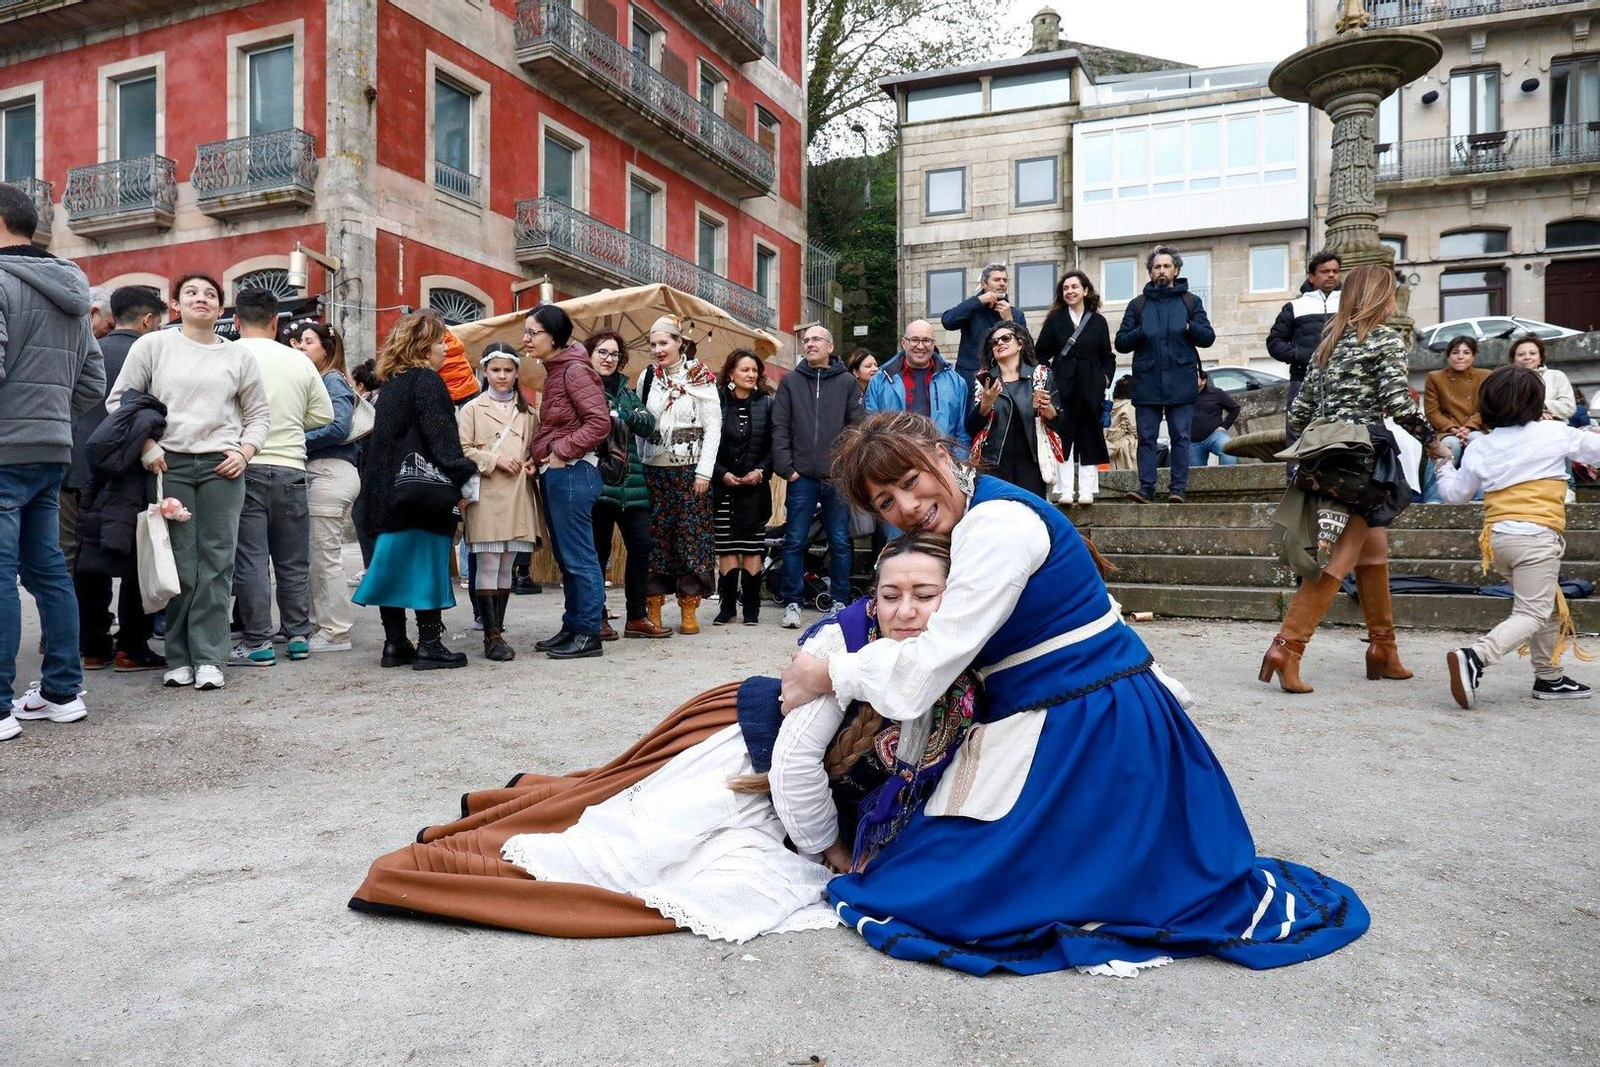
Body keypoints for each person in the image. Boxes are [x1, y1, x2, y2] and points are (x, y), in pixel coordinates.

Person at [773, 411, 1367, 976]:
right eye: (885, 502)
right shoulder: (984, 511)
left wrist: (827, 673)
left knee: (931, 894)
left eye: (909, 481)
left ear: (938, 454)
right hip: (1094, 713)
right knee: (929, 868)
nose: (906, 506)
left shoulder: (996, 524)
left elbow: (926, 669)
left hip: (1090, 726)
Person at [347, 533, 971, 942]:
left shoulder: (958, 667)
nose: (906, 610)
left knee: (608, 798)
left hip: (766, 761)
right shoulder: (843, 647)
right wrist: (828, 850)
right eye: (891, 595)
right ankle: (445, 866)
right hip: (737, 740)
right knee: (630, 844)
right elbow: (793, 765)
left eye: (924, 596)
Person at [1263, 263, 1444, 694]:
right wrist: (1433, 442)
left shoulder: (1328, 344)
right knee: (1341, 557)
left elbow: (1300, 412)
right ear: (1383, 298)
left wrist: (1324, 435)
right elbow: (1399, 403)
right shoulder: (1383, 338)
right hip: (1362, 459)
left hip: (1326, 457)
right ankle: (1287, 647)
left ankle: (1384, 650)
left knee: (1373, 552)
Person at [106, 273, 270, 692]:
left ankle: (210, 657)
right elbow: (119, 401)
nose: (202, 299)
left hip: (223, 468)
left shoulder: (238, 356)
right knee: (178, 564)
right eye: (192, 293)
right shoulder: (154, 345)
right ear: (175, 304)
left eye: (211, 294)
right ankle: (179, 656)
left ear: (222, 308)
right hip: (167, 466)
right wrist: (145, 447)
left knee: (218, 564)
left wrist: (245, 451)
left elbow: (259, 414)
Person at [0, 183, 106, 739]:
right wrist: (48, 414)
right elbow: (92, 380)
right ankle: (63, 692)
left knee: (3, 574)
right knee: (47, 571)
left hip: (3, 449)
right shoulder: (70, 287)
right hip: (50, 449)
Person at [1436, 365, 1598, 708]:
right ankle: (1476, 656)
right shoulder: (1554, 433)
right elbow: (1594, 450)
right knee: (1534, 612)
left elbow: (1454, 495)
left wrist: (1443, 464)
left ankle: (1549, 677)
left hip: (1497, 541)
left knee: (1547, 606)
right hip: (1536, 539)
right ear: (1536, 402)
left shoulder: (1482, 447)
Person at [352, 311, 478, 671]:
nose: (444, 349)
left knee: (389, 568)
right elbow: (442, 442)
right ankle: (430, 645)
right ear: (424, 346)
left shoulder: (391, 384)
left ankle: (395, 644)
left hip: (385, 493)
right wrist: (465, 470)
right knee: (426, 566)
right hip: (420, 495)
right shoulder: (427, 381)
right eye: (440, 341)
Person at [229, 287, 334, 667]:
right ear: (276, 322)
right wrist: (290, 421)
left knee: (251, 560)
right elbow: (324, 416)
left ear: (236, 321)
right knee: (292, 561)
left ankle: (257, 642)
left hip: (243, 466)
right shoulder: (299, 361)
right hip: (292, 467)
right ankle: (298, 637)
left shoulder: (229, 355)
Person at [71, 285, 165, 672]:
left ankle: (93, 646)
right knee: (137, 559)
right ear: (147, 320)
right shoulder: (154, 356)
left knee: (84, 560)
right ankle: (131, 647)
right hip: (131, 474)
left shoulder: (88, 351)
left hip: (79, 471)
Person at [527, 304, 612, 659]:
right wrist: (539, 457)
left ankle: (589, 633)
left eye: (533, 333)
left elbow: (599, 421)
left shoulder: (575, 370)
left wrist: (561, 451)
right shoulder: (557, 369)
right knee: (568, 557)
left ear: (554, 336)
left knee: (579, 556)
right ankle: (574, 625)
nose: (526, 339)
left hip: (575, 472)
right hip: (561, 472)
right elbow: (558, 423)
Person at [633, 315, 722, 637]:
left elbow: (713, 428)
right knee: (655, 541)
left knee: (690, 541)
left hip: (690, 472)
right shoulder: (647, 378)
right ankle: (653, 606)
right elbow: (643, 424)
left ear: (679, 343)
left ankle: (688, 605)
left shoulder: (701, 377)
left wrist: (705, 472)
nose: (658, 349)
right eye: (653, 344)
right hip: (653, 471)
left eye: (664, 343)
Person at [773, 325, 862, 629]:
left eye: (815, 340)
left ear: (830, 345)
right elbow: (780, 427)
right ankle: (793, 603)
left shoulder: (848, 383)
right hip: (802, 478)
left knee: (839, 541)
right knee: (795, 541)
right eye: (806, 340)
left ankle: (839, 601)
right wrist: (788, 469)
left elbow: (856, 427)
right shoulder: (790, 382)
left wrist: (846, 467)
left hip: (837, 479)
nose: (809, 344)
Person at [458, 341, 540, 662]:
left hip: (519, 492)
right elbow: (461, 449)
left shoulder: (529, 412)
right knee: (489, 562)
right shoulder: (471, 409)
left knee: (508, 562)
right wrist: (494, 461)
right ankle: (490, 635)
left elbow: (536, 448)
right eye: (495, 370)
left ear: (517, 372)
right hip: (488, 492)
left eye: (508, 370)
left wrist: (533, 463)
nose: (502, 376)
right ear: (484, 371)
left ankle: (499, 629)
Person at [1115, 245, 1215, 504]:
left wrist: (1189, 326)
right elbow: (1121, 342)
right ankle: (1146, 488)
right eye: (1156, 266)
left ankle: (1178, 489)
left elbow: (1208, 337)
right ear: (1150, 272)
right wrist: (1140, 332)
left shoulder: (1191, 302)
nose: (1161, 270)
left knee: (1180, 436)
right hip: (1147, 380)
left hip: (1181, 379)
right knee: (1146, 437)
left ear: (1176, 270)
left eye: (1166, 266)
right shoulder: (1137, 305)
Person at [586, 330, 666, 640]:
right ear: (590, 355)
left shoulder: (627, 391)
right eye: (602, 352)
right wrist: (620, 415)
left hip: (632, 485)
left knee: (643, 546)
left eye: (614, 354)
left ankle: (636, 617)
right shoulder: (583, 387)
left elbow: (647, 423)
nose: (608, 359)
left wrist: (619, 412)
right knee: (597, 552)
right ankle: (598, 617)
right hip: (598, 481)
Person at [297, 322, 362, 653]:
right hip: (328, 472)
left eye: (308, 342)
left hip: (329, 472)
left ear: (327, 347)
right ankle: (322, 626)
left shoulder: (332, 380)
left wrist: (294, 440)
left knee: (324, 555)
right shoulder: (322, 380)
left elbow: (339, 427)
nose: (301, 347)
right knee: (318, 554)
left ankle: (335, 631)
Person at [1034, 270, 1114, 505]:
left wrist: (1105, 378)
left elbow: (1107, 356)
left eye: (1074, 287)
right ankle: (1065, 490)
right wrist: (1049, 379)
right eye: (1065, 288)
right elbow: (1040, 353)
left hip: (1091, 386)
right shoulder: (1055, 320)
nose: (1069, 291)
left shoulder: (1098, 321)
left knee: (1090, 435)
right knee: (1062, 435)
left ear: (1085, 290)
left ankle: (1087, 490)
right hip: (1063, 386)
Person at [711, 349, 774, 626]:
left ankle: (751, 610)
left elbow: (775, 445)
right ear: (731, 374)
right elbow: (707, 445)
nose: (751, 375)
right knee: (726, 549)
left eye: (754, 370)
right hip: (724, 488)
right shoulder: (715, 401)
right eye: (745, 370)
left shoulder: (767, 403)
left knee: (752, 549)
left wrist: (760, 471)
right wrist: (721, 474)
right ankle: (727, 609)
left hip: (754, 488)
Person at [967, 323, 1066, 500]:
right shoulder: (984, 380)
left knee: (1031, 518)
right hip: (993, 464)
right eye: (994, 342)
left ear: (1020, 343)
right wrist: (986, 403)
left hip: (1032, 465)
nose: (1000, 343)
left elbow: (1059, 423)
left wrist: (1047, 408)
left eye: (1006, 338)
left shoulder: (1040, 376)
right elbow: (971, 426)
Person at [1266, 251, 1341, 446]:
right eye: (1325, 271)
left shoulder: (1349, 304)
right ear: (1311, 276)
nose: (1331, 275)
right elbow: (1274, 342)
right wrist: (1300, 355)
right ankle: (1295, 477)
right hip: (1303, 379)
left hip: (1343, 381)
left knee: (1342, 436)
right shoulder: (1295, 306)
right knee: (1297, 436)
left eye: (1335, 271)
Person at [861, 320, 969, 450]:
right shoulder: (880, 381)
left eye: (926, 340)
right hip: (895, 463)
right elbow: (871, 431)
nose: (920, 346)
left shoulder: (956, 382)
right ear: (904, 343)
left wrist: (953, 464)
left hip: (941, 462)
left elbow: (963, 432)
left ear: (933, 343)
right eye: (914, 340)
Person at [1420, 335, 1488, 504]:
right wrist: (1453, 429)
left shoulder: (1485, 376)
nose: (1460, 356)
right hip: (1446, 429)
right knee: (1450, 445)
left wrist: (1469, 427)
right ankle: (1434, 498)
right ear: (1448, 355)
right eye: (1455, 352)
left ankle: (1479, 496)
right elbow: (1432, 412)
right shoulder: (1435, 377)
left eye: (1466, 352)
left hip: (1476, 428)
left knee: (1477, 441)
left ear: (1473, 356)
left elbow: (1485, 408)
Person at [940, 263, 1028, 390]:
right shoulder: (972, 309)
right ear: (983, 285)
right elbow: (947, 321)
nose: (1002, 283)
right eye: (997, 280)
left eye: (1005, 280)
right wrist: (978, 300)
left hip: (1007, 379)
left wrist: (1010, 322)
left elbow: (1027, 349)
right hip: (971, 379)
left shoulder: (1015, 314)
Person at [1189, 368, 1240, 468]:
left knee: (1229, 452)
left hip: (1215, 436)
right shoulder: (1183, 396)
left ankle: (1227, 481)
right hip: (1193, 441)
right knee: (1196, 474)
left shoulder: (1216, 393)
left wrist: (1224, 426)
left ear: (1203, 381)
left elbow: (1235, 408)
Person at [1104, 375, 1138, 470]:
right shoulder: (1129, 406)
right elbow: (1135, 429)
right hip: (1125, 448)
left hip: (1110, 447)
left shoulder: (1110, 406)